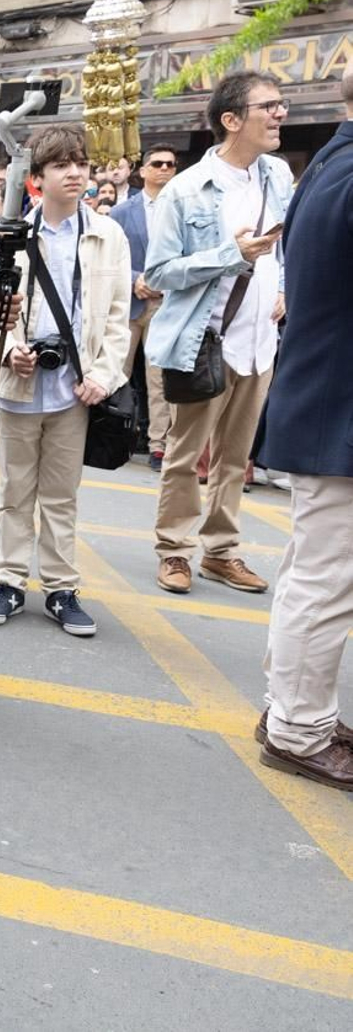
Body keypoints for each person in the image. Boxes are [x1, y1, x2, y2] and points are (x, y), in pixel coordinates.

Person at [0, 124, 132, 637]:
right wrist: (11, 349)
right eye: (62, 165)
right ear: (37, 178)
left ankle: (62, 588)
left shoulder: (109, 234)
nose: (76, 173)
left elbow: (116, 317)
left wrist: (103, 377)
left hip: (75, 391)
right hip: (18, 390)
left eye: (81, 164)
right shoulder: (13, 233)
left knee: (62, 496)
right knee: (15, 492)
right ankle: (10, 582)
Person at [145, 70, 291, 596]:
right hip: (205, 343)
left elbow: (287, 246)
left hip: (259, 344)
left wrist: (285, 289)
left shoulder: (277, 176)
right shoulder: (186, 190)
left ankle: (221, 552)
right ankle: (175, 551)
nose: (280, 114)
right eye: (267, 106)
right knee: (186, 456)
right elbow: (159, 272)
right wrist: (233, 256)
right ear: (231, 120)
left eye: (281, 104)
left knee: (236, 459)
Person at [253, 66, 353, 791]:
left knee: (313, 573)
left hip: (330, 403)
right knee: (325, 579)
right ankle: (297, 726)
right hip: (338, 407)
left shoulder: (333, 160)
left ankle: (295, 708)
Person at [109, 146, 177, 471]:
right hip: (130, 300)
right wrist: (136, 279)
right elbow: (110, 257)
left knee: (159, 378)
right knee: (116, 370)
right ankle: (111, 433)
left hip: (166, 302)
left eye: (171, 164)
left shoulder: (182, 208)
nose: (165, 168)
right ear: (143, 170)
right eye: (158, 163)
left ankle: (158, 445)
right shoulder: (123, 212)